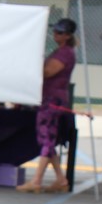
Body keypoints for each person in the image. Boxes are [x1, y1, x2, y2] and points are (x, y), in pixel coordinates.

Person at [19, 17, 79, 193]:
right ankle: (61, 180)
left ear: (67, 36)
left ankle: (36, 180)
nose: (55, 34)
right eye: (55, 31)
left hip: (53, 99)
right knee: (47, 139)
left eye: (60, 32)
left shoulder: (65, 53)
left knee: (46, 137)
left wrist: (31, 66)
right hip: (49, 97)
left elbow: (48, 71)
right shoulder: (60, 51)